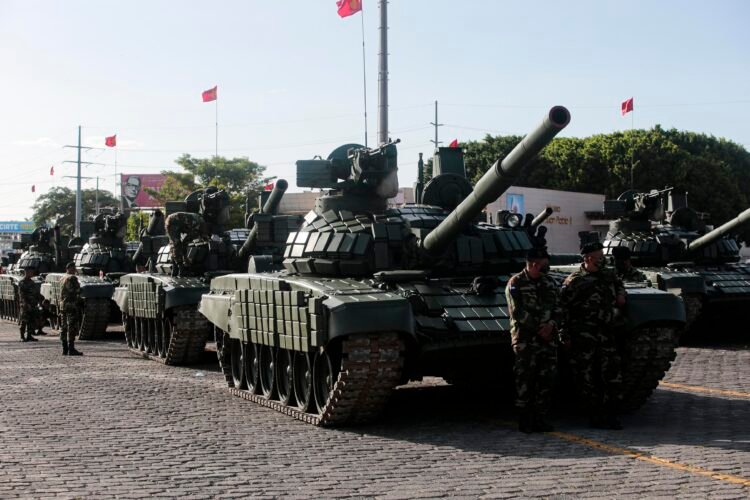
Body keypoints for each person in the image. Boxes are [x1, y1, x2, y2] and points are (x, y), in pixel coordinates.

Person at [560, 242, 626, 430]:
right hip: (583, 335)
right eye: (599, 257)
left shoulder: (608, 274)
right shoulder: (574, 281)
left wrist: (621, 295)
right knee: (586, 376)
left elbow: (619, 284)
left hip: (606, 332)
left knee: (612, 375)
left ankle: (611, 414)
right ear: (588, 258)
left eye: (602, 257)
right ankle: (594, 415)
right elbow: (563, 309)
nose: (602, 260)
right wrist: (564, 335)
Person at [505, 247, 561, 433]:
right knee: (525, 378)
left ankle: (540, 418)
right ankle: (525, 418)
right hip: (525, 339)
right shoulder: (516, 283)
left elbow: (558, 308)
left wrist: (551, 324)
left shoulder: (550, 283)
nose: (548, 266)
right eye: (545, 262)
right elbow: (517, 312)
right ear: (535, 263)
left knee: (546, 378)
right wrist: (540, 328)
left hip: (548, 338)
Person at [165, 212, 208, 277]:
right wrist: (185, 259)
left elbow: (185, 242)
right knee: (176, 244)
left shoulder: (199, 221)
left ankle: (175, 268)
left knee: (174, 244)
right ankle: (181, 269)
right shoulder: (199, 226)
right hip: (175, 221)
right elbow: (185, 242)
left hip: (170, 219)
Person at [59, 261, 83, 356]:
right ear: (71, 268)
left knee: (63, 327)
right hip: (70, 304)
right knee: (71, 326)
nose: (74, 270)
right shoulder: (72, 278)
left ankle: (65, 348)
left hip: (63, 305)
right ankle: (71, 348)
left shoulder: (62, 278)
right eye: (73, 268)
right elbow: (76, 290)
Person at [18, 266, 41, 342]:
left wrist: (40, 299)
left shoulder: (32, 282)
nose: (32, 273)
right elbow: (22, 295)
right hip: (25, 305)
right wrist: (25, 304)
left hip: (33, 304)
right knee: (24, 320)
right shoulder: (22, 282)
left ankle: (29, 335)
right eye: (30, 272)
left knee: (31, 320)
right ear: (26, 272)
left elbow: (36, 293)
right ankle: (22, 336)